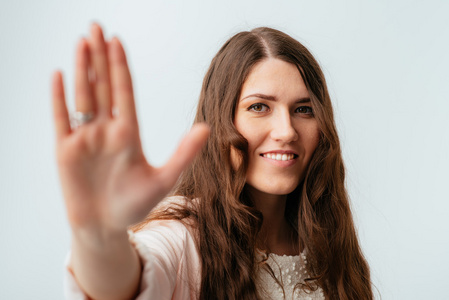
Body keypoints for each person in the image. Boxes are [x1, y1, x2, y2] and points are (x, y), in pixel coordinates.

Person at [52, 23, 373, 299]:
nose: (287, 131)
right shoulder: (185, 238)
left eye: (303, 109)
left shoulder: (328, 243)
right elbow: (119, 287)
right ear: (221, 121)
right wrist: (100, 234)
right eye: (259, 107)